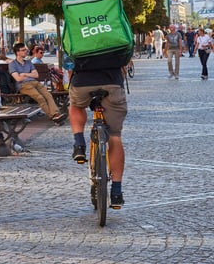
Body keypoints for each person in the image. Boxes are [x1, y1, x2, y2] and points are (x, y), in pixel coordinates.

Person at [68, 51, 128, 209]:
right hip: (112, 82)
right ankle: (116, 191)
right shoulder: (114, 29)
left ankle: (79, 143)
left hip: (82, 81)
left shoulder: (78, 27)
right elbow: (125, 58)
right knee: (115, 137)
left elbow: (69, 61)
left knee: (75, 106)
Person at [8, 42, 67, 124]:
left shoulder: (28, 62)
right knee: (40, 98)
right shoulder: (12, 64)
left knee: (48, 95)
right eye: (23, 50)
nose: (26, 51)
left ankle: (56, 115)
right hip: (23, 85)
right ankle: (53, 116)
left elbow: (36, 75)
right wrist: (29, 74)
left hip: (35, 82)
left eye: (25, 50)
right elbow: (17, 78)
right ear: (17, 52)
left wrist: (24, 74)